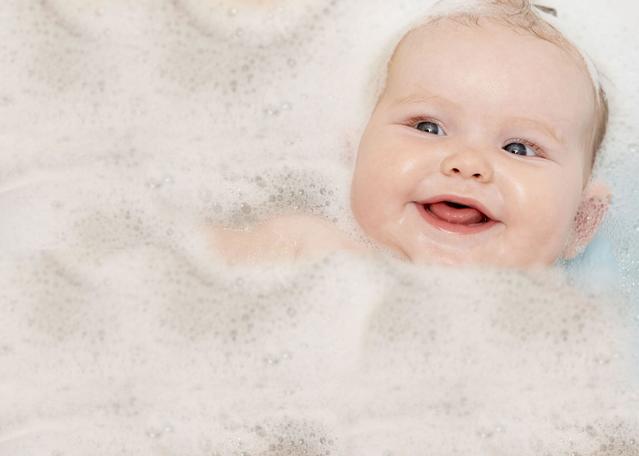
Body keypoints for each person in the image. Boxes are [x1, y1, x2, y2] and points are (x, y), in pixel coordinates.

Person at [206, 0, 611, 268]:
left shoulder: (560, 343)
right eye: (428, 127)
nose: (467, 164)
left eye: (518, 148)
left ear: (582, 220)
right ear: (354, 158)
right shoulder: (307, 253)